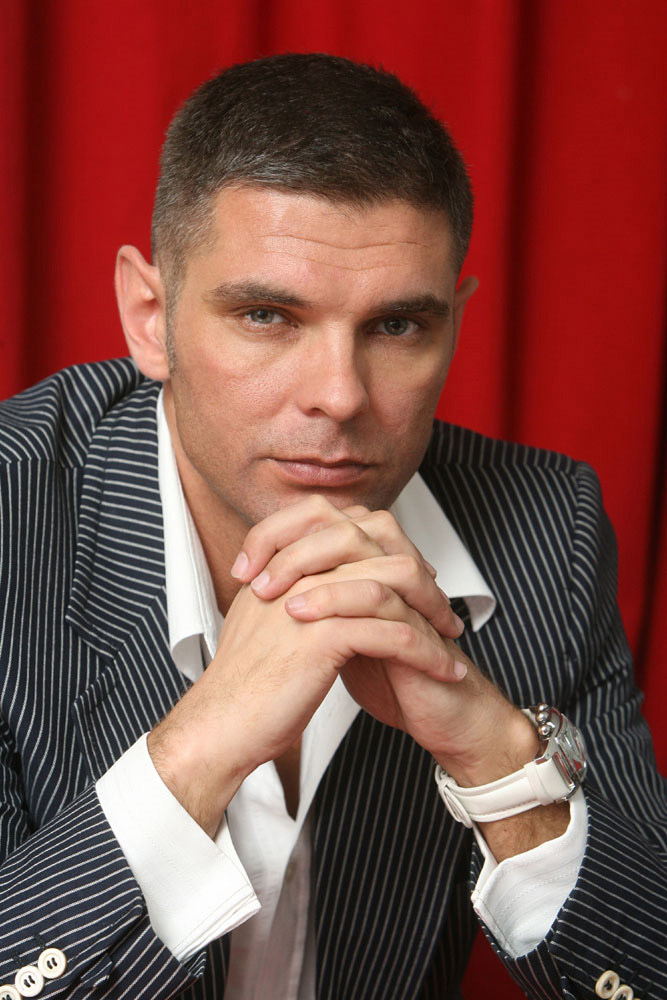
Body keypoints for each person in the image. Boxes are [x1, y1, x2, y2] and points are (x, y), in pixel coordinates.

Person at [0, 53, 664, 1000]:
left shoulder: (544, 531)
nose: (340, 396)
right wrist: (198, 748)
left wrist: (500, 764)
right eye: (267, 315)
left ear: (453, 324)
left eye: (396, 327)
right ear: (150, 317)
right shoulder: (14, 513)